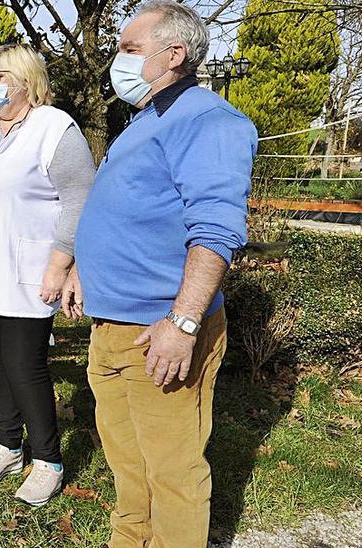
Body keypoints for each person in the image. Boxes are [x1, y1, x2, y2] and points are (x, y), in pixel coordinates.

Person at [67, 2, 257, 546]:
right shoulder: (147, 119)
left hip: (159, 332)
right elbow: (122, 210)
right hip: (111, 326)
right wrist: (84, 267)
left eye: (129, 49)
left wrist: (184, 322)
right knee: (128, 465)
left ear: (173, 54)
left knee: (172, 473)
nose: (117, 60)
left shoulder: (208, 121)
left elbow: (216, 231)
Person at [0, 44, 96, 507]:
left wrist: (61, 263)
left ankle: (47, 459)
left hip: (32, 269)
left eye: (0, 74)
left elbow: (79, 198)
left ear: (27, 81)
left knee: (27, 367)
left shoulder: (54, 127)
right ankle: (7, 444)